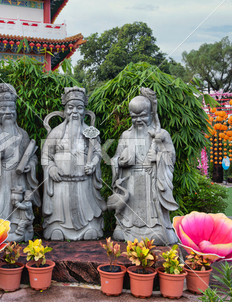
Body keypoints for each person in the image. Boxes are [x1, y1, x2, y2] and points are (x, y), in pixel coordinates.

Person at [109, 87, 179, 245]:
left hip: (150, 181)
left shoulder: (161, 135)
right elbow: (114, 158)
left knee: (159, 235)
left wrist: (159, 158)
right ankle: (126, 226)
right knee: (122, 231)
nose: (138, 120)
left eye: (142, 116)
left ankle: (156, 227)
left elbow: (171, 158)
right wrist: (120, 162)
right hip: (131, 180)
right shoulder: (126, 136)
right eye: (134, 117)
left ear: (150, 115)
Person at [0, 83, 40, 242]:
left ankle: (21, 228)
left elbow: (32, 157)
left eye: (11, 109)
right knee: (1, 202)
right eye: (3, 109)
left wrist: (29, 165)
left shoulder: (22, 134)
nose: (8, 112)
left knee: (20, 207)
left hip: (20, 181)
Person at [41, 86, 106, 241]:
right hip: (61, 185)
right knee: (57, 224)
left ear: (85, 111)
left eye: (79, 108)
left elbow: (97, 152)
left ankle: (89, 227)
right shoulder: (56, 132)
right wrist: (51, 168)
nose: (75, 112)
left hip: (83, 184)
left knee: (90, 226)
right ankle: (57, 226)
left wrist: (93, 163)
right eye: (70, 108)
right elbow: (45, 156)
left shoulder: (90, 132)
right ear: (65, 110)